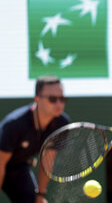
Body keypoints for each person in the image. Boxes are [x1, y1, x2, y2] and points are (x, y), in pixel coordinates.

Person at [0, 75, 70, 203]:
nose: (59, 103)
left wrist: (40, 195)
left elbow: (47, 160)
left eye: (62, 98)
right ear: (37, 99)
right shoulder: (15, 124)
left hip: (18, 168)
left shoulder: (62, 124)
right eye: (53, 99)